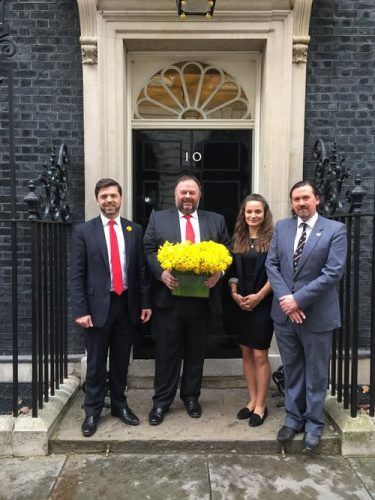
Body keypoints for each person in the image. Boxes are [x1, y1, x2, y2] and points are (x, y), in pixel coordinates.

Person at [266, 180, 347, 452]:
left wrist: (298, 299)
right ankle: (293, 418)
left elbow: (332, 273)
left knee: (316, 373)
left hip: (317, 315)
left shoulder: (335, 230)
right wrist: (287, 302)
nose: (300, 203)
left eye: (305, 198)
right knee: (292, 369)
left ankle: (314, 424)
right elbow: (272, 264)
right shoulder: (282, 227)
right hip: (286, 316)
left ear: (316, 200)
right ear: (291, 203)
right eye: (296, 199)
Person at [143, 175, 231, 425]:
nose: (188, 197)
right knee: (166, 353)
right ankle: (161, 402)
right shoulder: (158, 219)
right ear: (175, 195)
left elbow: (227, 248)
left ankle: (191, 397)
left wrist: (220, 273)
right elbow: (148, 249)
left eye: (192, 192)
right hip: (168, 300)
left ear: (199, 195)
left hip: (203, 300)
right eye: (183, 192)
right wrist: (161, 273)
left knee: (196, 352)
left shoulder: (216, 220)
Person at [71, 178, 152, 437]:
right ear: (97, 200)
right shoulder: (84, 231)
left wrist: (145, 302)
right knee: (95, 363)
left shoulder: (134, 230)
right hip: (96, 308)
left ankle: (119, 404)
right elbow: (77, 274)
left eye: (113, 196)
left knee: (120, 360)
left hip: (126, 304)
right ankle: (92, 411)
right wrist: (81, 310)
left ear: (121, 198)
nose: (109, 200)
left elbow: (140, 271)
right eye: (104, 196)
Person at [228, 194, 273, 427]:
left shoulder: (273, 240)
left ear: (265, 214)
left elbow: (277, 274)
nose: (253, 215)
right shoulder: (238, 239)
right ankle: (252, 400)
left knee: (259, 355)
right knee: (246, 353)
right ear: (243, 215)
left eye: (257, 211)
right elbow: (232, 270)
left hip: (262, 303)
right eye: (249, 212)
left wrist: (259, 297)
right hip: (241, 303)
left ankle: (262, 405)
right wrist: (234, 293)